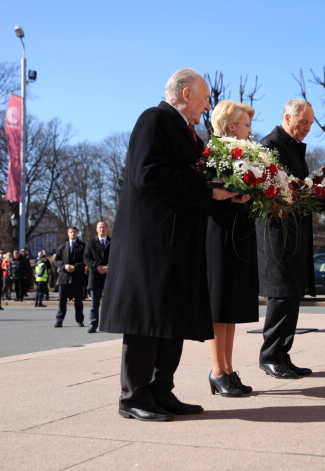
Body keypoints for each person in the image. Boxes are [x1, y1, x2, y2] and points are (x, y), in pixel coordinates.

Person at [99, 68, 239, 422]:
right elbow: (149, 174)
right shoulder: (154, 119)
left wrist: (227, 194)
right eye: (205, 97)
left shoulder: (189, 134)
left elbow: (193, 185)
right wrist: (209, 191)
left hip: (177, 244)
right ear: (187, 93)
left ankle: (162, 391)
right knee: (147, 321)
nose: (208, 105)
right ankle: (133, 396)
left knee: (171, 319)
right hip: (152, 242)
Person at [256, 99, 319, 379]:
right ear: (286, 117)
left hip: (295, 232)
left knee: (292, 294)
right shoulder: (271, 145)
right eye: (302, 121)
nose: (306, 128)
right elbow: (266, 189)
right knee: (281, 295)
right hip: (277, 233)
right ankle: (270, 356)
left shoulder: (294, 147)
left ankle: (282, 353)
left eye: (310, 124)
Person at [206, 100, 258, 397]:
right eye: (246, 125)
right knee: (218, 305)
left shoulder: (246, 154)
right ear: (229, 127)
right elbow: (211, 194)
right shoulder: (214, 154)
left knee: (232, 307)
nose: (250, 131)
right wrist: (237, 195)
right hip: (218, 233)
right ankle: (216, 370)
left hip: (239, 230)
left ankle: (227, 368)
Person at [54, 226, 86, 328]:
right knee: (62, 301)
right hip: (64, 277)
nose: (73, 234)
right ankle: (59, 320)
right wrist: (64, 266)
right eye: (71, 232)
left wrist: (75, 266)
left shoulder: (83, 246)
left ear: (77, 233)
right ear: (68, 234)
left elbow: (86, 259)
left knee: (78, 301)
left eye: (75, 232)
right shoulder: (63, 246)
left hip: (78, 277)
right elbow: (56, 260)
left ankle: (80, 320)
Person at [83, 221, 111, 333]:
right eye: (100, 227)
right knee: (94, 304)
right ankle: (93, 324)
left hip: (109, 276)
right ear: (96, 229)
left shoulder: (113, 242)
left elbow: (116, 256)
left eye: (104, 227)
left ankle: (107, 324)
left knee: (108, 302)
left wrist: (108, 267)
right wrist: (97, 266)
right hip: (95, 276)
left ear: (107, 228)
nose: (102, 229)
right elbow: (86, 257)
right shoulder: (90, 242)